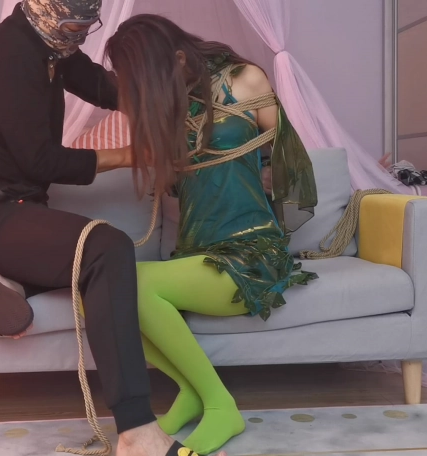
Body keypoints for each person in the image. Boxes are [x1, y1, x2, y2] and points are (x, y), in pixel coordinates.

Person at [0, 1, 218, 455]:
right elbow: (42, 161)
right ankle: (136, 431)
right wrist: (132, 155)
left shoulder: (49, 45)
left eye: (90, 24)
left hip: (19, 214)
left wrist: (174, 92)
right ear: (48, 9)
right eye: (76, 24)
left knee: (81, 262)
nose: (84, 34)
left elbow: (103, 87)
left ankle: (5, 279)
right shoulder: (9, 57)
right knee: (105, 247)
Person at [105, 14, 319, 454]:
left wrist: (263, 175)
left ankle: (221, 405)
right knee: (102, 294)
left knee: (127, 283)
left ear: (179, 58)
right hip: (196, 256)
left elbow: (289, 156)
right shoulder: (168, 106)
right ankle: (193, 392)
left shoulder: (246, 80)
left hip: (249, 253)